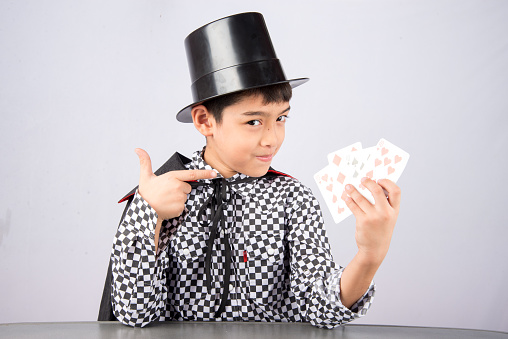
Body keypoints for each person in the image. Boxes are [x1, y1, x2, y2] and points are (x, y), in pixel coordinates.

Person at [98, 12, 401, 329]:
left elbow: (320, 309)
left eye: (281, 118)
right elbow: (136, 315)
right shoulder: (161, 195)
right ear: (205, 121)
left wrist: (370, 255)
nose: (272, 139)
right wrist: (147, 214)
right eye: (253, 121)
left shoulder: (293, 200)